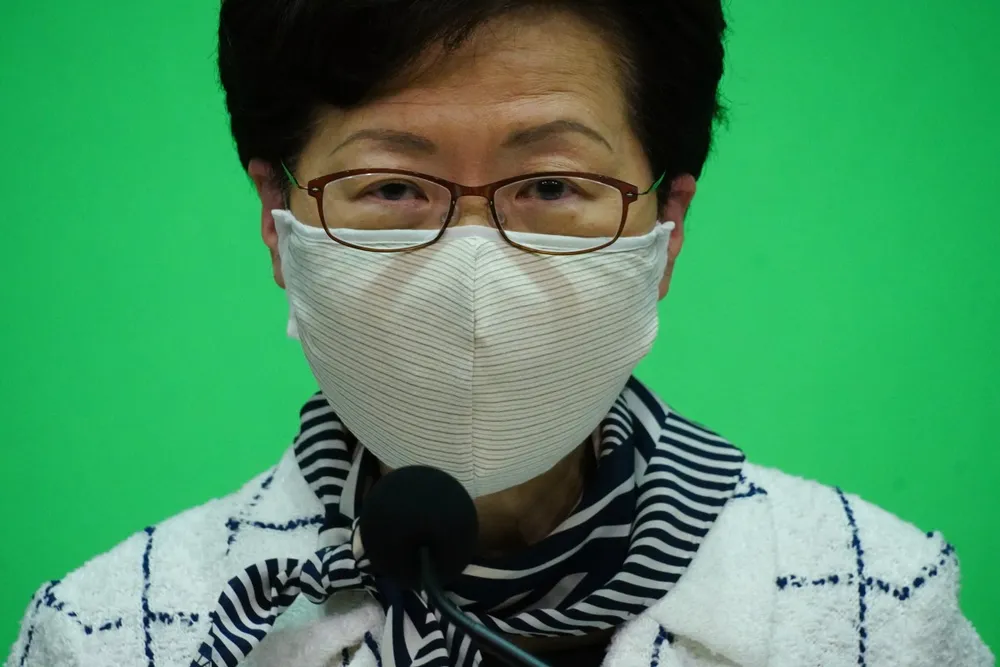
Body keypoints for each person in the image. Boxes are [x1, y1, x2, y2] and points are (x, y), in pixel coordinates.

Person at [6, 1, 993, 666]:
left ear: (666, 228)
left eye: (552, 184)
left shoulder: (879, 605)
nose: (468, 273)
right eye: (392, 186)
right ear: (278, 223)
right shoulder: (107, 633)